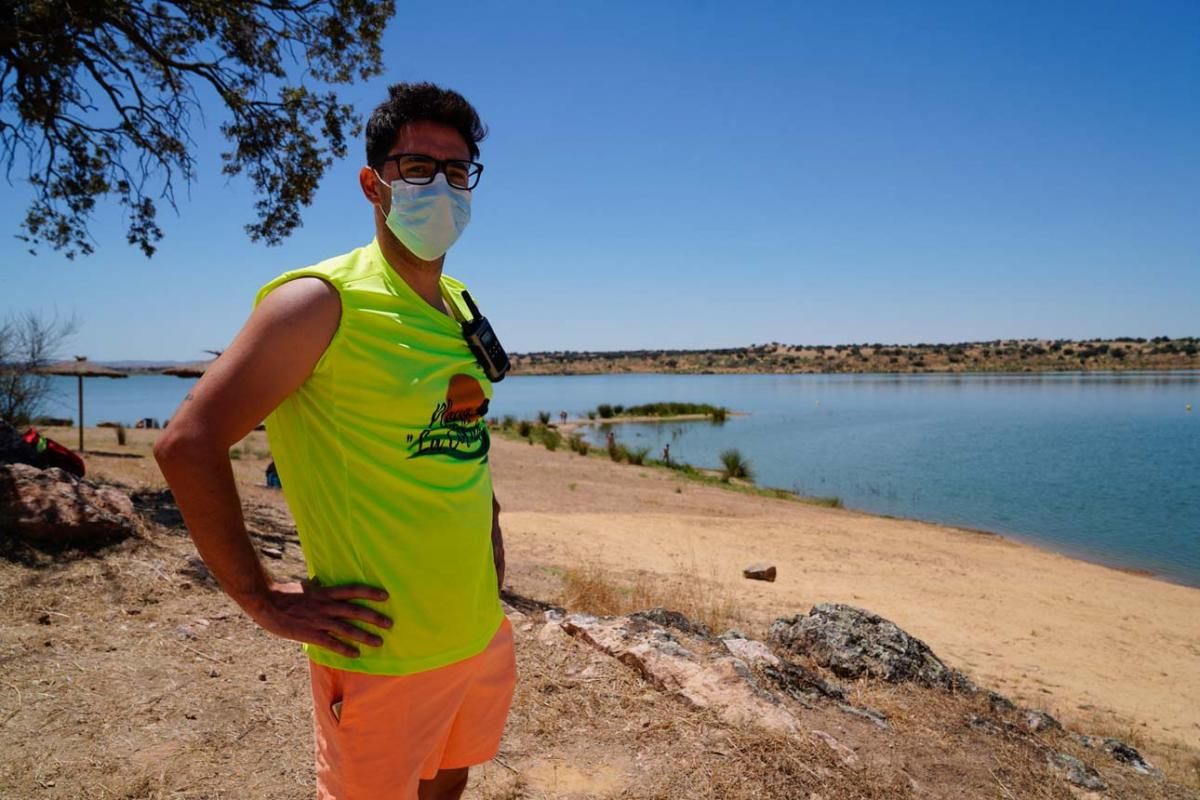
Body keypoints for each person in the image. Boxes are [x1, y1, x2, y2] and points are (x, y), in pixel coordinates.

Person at [154, 82, 514, 800]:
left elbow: (460, 435)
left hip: (476, 632)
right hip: (379, 653)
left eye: (457, 170)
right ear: (373, 183)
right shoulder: (318, 303)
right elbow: (188, 443)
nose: (441, 186)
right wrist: (261, 600)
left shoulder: (462, 304)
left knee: (449, 782)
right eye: (417, 167)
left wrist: (494, 539)